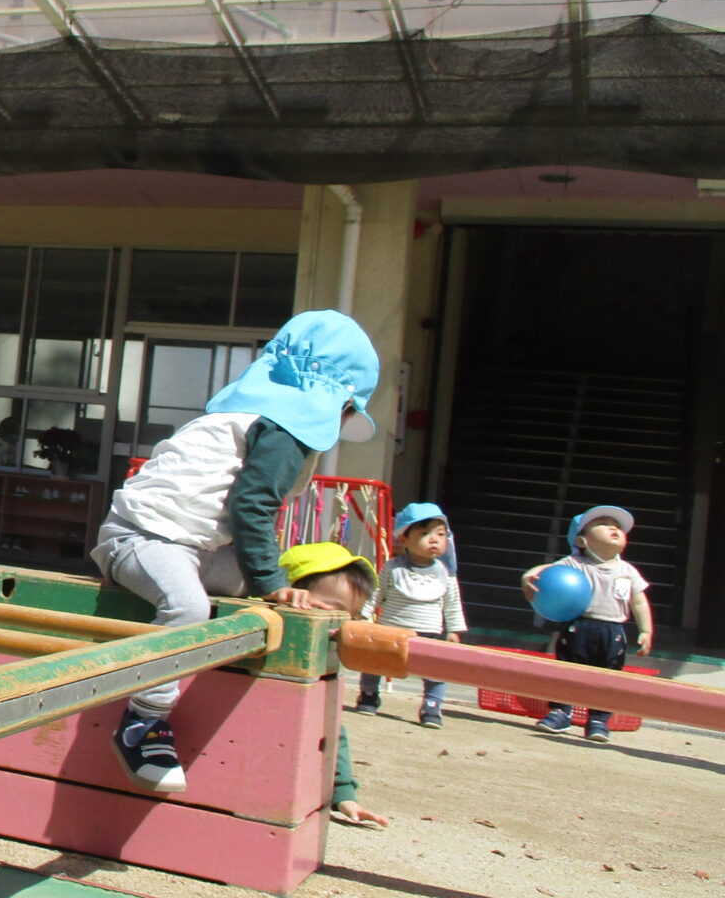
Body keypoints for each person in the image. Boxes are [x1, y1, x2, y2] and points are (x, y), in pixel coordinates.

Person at [92, 310, 381, 791]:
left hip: (195, 547)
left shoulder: (257, 417)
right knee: (189, 607)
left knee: (251, 596)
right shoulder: (282, 431)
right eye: (347, 413)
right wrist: (272, 582)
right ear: (339, 403)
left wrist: (272, 586)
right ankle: (143, 718)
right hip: (143, 536)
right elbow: (252, 506)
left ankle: (213, 662)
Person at [279, 541, 389, 828]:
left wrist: (343, 795)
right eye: (332, 610)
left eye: (350, 616)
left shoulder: (323, 664)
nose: (340, 625)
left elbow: (331, 730)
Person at [521, 505, 652, 744]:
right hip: (578, 626)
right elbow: (543, 571)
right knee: (566, 671)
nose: (613, 528)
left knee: (609, 678)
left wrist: (646, 630)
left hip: (613, 631)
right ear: (582, 541)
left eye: (617, 526)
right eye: (603, 524)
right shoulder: (575, 563)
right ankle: (561, 712)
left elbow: (639, 602)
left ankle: (599, 720)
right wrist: (526, 578)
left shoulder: (627, 570)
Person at [357, 501, 467, 728]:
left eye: (440, 534)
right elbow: (376, 593)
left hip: (429, 633)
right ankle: (369, 694)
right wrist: (364, 615)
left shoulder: (446, 574)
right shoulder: (392, 568)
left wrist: (454, 629)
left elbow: (452, 604)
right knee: (373, 662)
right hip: (390, 630)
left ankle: (432, 705)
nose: (434, 539)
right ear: (404, 539)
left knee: (436, 670)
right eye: (424, 533)